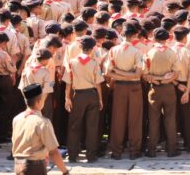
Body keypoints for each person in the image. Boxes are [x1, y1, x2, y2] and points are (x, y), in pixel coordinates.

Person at [104, 22, 144, 160]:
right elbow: (137, 74)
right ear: (135, 35)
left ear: (122, 34)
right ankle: (134, 151)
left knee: (118, 119)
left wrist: (119, 72)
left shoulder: (113, 50)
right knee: (135, 120)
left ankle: (116, 151)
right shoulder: (137, 52)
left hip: (119, 87)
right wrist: (129, 74)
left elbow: (108, 72)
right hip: (134, 87)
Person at [11, 83, 69, 175]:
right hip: (34, 168)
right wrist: (65, 172)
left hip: (18, 165)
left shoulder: (17, 119)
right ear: (39, 101)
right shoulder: (42, 122)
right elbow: (54, 152)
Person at [63, 36, 103, 163]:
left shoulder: (72, 62)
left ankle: (73, 155)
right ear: (91, 49)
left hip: (78, 96)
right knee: (92, 126)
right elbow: (98, 84)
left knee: (74, 126)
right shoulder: (94, 63)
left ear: (80, 47)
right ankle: (91, 155)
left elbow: (68, 83)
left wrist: (67, 98)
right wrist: (100, 99)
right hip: (92, 95)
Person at [143, 28, 181, 158]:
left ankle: (152, 149)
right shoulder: (172, 53)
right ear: (167, 39)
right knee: (170, 119)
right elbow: (176, 74)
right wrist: (166, 78)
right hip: (169, 89)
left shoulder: (149, 53)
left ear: (154, 38)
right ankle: (172, 149)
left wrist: (156, 78)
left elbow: (145, 75)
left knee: (154, 120)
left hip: (154, 89)